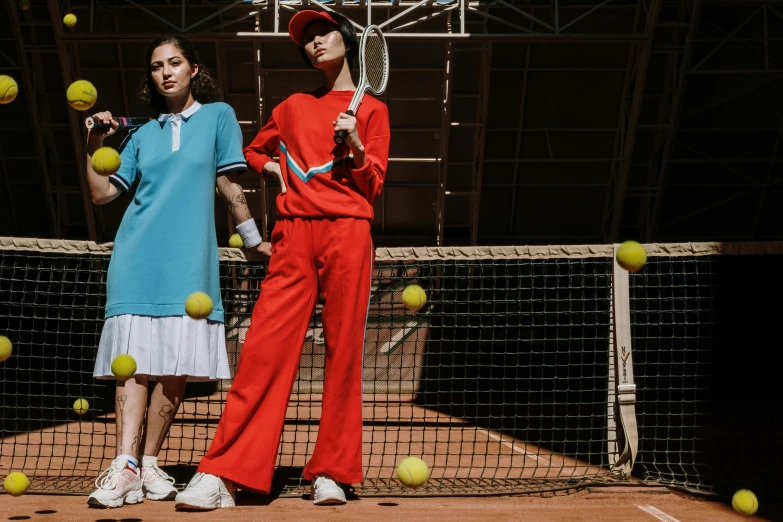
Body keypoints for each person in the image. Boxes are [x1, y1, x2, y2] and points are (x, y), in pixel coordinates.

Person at [174, 9, 390, 510]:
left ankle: (332, 472)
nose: (314, 43)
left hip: (348, 233)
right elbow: (252, 150)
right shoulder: (292, 106)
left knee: (343, 356)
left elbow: (373, 183)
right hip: (292, 234)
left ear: (348, 39)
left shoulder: (371, 111)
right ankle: (225, 474)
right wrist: (271, 166)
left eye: (324, 33)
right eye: (306, 39)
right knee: (263, 351)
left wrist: (355, 144)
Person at [84, 34, 270, 509]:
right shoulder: (141, 135)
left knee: (175, 368)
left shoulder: (218, 117)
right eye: (156, 66)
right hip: (136, 258)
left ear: (193, 70)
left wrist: (252, 239)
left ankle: (147, 463)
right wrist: (95, 141)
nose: (165, 71)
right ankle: (125, 463)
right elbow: (103, 194)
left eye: (175, 62)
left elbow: (227, 182)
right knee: (135, 364)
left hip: (192, 264)